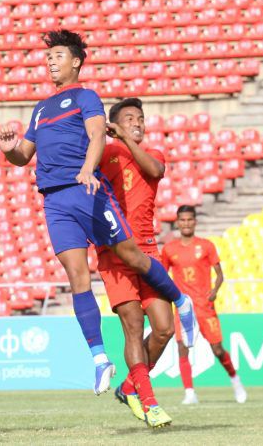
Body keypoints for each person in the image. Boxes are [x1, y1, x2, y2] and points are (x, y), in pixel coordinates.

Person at [0, 29, 198, 395]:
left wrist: (88, 169)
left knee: (133, 256)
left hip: (87, 191)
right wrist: (9, 149)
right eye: (48, 57)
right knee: (77, 277)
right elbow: (23, 156)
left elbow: (96, 136)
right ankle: (100, 359)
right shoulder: (40, 109)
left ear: (75, 62)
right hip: (54, 200)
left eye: (57, 56)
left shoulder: (85, 97)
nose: (50, 62)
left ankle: (181, 301)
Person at [98, 97, 174, 428]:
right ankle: (150, 403)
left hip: (147, 252)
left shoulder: (152, 154)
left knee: (165, 328)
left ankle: (129, 386)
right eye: (129, 118)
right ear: (115, 124)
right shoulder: (104, 155)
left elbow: (156, 171)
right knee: (133, 327)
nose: (137, 122)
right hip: (114, 254)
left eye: (140, 118)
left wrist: (126, 139)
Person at [161, 205, 248, 406]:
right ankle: (190, 393)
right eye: (182, 220)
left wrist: (215, 290)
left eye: (189, 219)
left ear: (195, 221)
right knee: (182, 347)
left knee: (217, 349)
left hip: (204, 306)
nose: (186, 223)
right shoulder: (169, 249)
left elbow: (220, 275)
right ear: (177, 222)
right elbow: (163, 276)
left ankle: (235, 380)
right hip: (183, 307)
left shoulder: (206, 246)